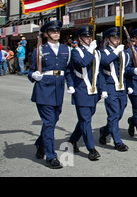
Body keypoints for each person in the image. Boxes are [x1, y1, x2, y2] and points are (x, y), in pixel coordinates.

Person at [28, 20, 71, 169]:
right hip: (44, 90)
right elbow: (30, 71)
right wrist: (34, 75)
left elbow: (68, 70)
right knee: (49, 123)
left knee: (54, 120)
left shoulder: (66, 49)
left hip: (58, 90)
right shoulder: (39, 50)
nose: (56, 33)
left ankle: (40, 143)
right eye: (53, 31)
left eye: (58, 31)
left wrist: (70, 86)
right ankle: (50, 156)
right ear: (46, 34)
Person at [66, 26, 101, 161]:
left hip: (93, 91)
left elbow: (99, 73)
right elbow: (82, 63)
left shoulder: (95, 52)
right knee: (86, 120)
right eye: (86, 37)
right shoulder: (76, 52)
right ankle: (91, 149)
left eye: (89, 36)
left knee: (84, 119)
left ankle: (73, 140)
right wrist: (91, 50)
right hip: (81, 90)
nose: (89, 39)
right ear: (79, 39)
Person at [98, 27, 130, 152]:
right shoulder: (103, 53)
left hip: (122, 87)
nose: (117, 40)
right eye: (114, 38)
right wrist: (117, 51)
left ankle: (105, 130)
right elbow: (105, 61)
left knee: (119, 113)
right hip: (110, 86)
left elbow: (126, 70)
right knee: (114, 114)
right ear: (107, 39)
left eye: (118, 38)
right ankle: (117, 142)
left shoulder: (123, 52)